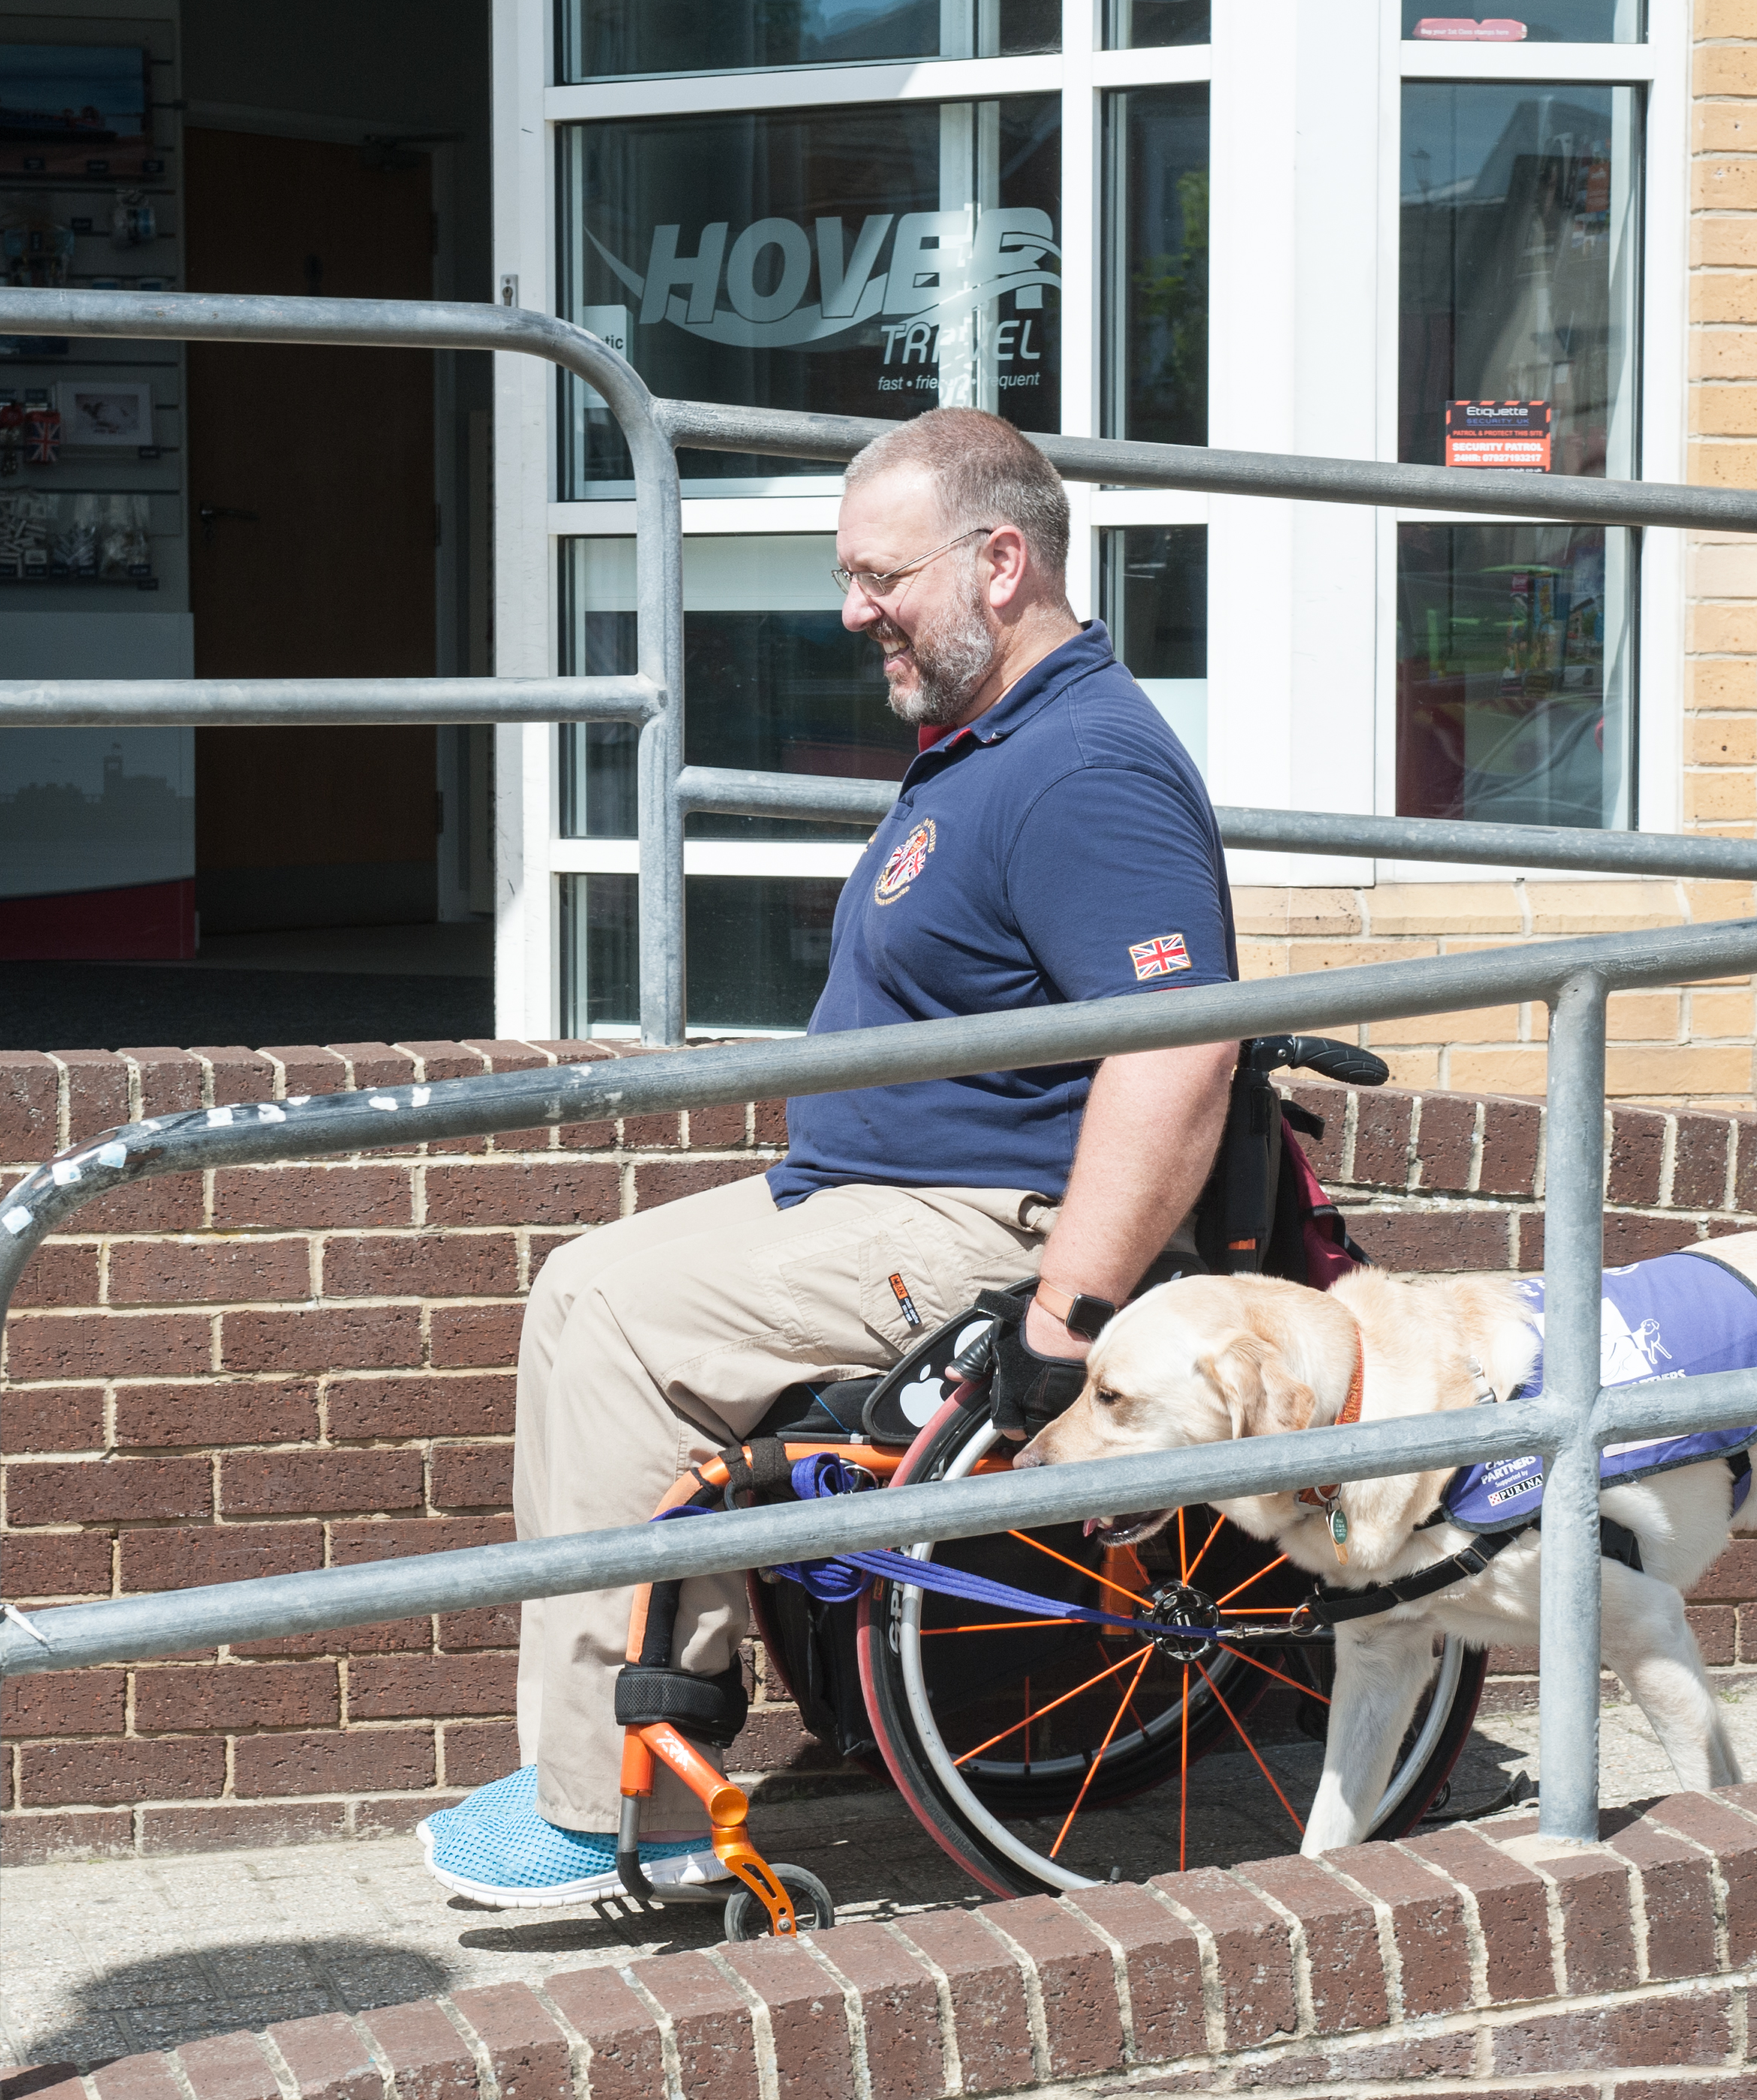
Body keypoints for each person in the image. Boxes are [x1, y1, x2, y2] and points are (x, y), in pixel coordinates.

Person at [420, 407, 1241, 1907]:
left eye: (880, 574)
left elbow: (1182, 1045)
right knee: (587, 1280)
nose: (850, 608)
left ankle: (623, 1810)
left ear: (1001, 564)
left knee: (615, 1318)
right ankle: (617, 1749)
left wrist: (1069, 1314)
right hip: (881, 1193)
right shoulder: (994, 738)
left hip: (991, 1218)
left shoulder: (1084, 769)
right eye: (846, 573)